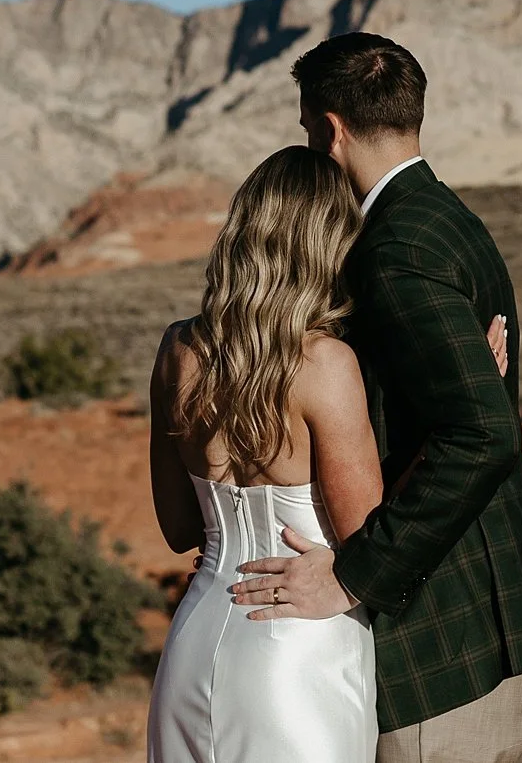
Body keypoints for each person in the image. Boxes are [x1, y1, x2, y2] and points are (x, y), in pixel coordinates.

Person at [228, 33, 522, 763]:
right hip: (503, 610)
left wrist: (354, 576)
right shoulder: (444, 217)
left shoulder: (394, 251)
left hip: (447, 643)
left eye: (307, 129)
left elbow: (482, 434)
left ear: (331, 130)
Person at [145, 145, 383, 763]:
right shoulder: (325, 364)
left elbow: (178, 528)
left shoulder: (177, 350)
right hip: (298, 650)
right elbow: (368, 537)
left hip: (195, 640)